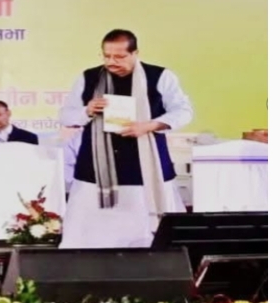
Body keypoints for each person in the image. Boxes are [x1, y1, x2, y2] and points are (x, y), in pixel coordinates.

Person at [58, 29, 192, 248]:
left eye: (119, 56)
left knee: (149, 239)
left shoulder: (160, 76)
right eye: (107, 56)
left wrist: (149, 126)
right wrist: (87, 110)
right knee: (89, 238)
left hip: (145, 170)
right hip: (95, 173)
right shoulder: (88, 77)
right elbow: (66, 116)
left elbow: (183, 112)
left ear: (135, 53)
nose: (112, 62)